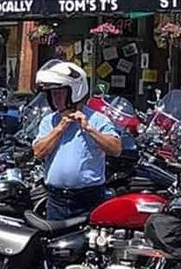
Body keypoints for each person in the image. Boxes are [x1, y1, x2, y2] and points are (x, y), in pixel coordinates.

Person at [32, 60, 121, 222]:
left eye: (59, 93)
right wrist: (60, 127)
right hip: (57, 199)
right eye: (52, 94)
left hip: (88, 199)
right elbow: (38, 152)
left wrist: (89, 129)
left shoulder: (98, 119)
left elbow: (115, 149)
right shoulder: (49, 122)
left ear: (74, 92)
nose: (55, 98)